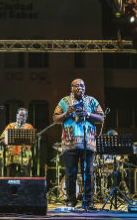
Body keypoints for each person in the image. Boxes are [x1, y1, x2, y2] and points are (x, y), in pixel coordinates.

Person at [53, 78, 104, 209]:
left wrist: (88, 114)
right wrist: (66, 113)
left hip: (88, 143)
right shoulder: (64, 101)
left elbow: (101, 118)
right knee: (71, 173)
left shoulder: (92, 101)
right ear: (71, 88)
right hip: (70, 143)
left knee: (88, 173)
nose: (79, 87)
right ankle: (70, 200)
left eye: (82, 85)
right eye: (76, 86)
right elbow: (55, 119)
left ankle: (88, 202)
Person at [0, 108, 34, 177]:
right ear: (16, 115)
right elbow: (3, 138)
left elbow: (32, 141)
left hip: (23, 157)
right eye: (19, 115)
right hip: (11, 156)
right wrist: (7, 145)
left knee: (25, 178)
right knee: (10, 178)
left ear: (26, 117)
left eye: (23, 115)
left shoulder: (29, 127)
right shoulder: (11, 126)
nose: (21, 117)